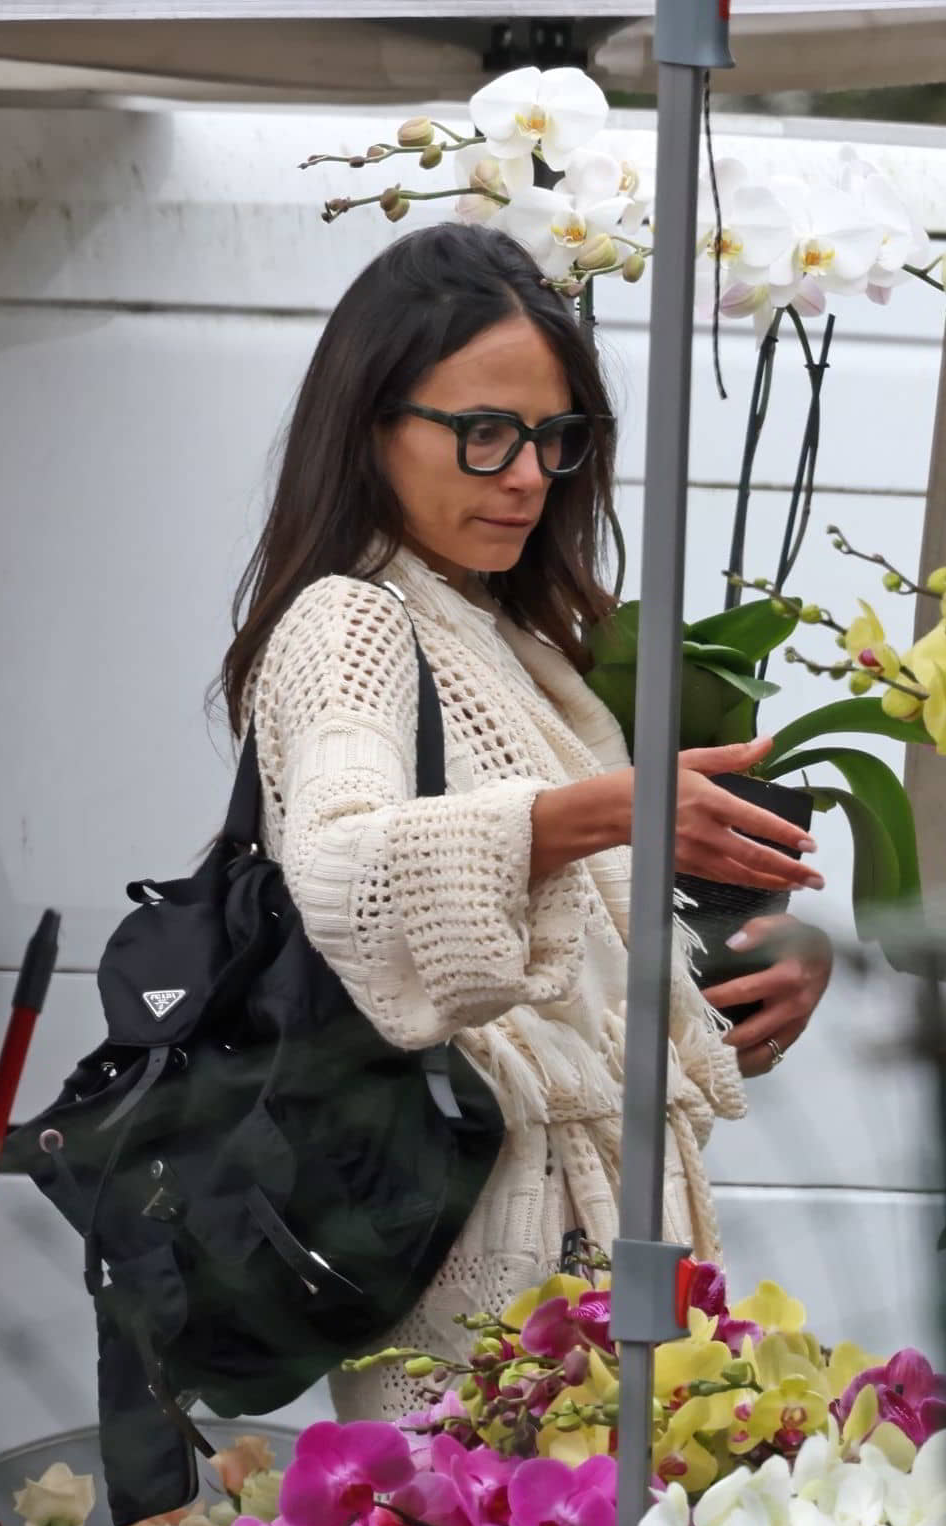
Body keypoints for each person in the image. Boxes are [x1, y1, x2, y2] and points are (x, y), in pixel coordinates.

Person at [217, 222, 832, 1418]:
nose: (523, 475)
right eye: (482, 432)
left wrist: (771, 962)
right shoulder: (347, 623)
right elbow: (344, 873)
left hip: (590, 1247)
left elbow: (580, 954)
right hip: (482, 1275)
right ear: (370, 423)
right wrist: (598, 809)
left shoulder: (511, 644)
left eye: (553, 438)